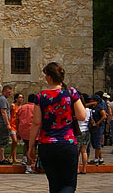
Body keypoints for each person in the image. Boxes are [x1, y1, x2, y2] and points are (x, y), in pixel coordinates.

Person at [28, 62, 87, 193]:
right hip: (67, 143)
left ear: (49, 77)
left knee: (54, 185)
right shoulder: (71, 93)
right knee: (69, 184)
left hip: (47, 145)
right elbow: (82, 116)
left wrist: (31, 146)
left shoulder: (40, 96)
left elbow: (36, 123)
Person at [15, 94, 37, 174]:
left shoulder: (22, 107)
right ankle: (28, 166)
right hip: (32, 130)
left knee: (26, 144)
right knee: (31, 147)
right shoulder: (36, 108)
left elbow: (17, 119)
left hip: (23, 129)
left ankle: (24, 158)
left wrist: (18, 130)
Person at [0, 85, 14, 165]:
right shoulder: (3, 100)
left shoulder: (0, 99)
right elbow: (3, 112)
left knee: (0, 141)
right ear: (4, 91)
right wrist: (7, 124)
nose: (10, 94)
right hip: (2, 124)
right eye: (8, 92)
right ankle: (2, 158)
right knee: (3, 141)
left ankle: (0, 158)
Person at [87, 93, 109, 166]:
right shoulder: (92, 107)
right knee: (95, 143)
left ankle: (96, 158)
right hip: (93, 127)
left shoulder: (99, 107)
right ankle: (101, 158)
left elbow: (104, 116)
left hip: (99, 127)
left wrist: (98, 123)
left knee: (97, 143)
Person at [77, 95, 95, 175]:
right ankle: (84, 168)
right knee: (84, 151)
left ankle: (77, 168)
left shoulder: (76, 110)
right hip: (87, 131)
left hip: (78, 131)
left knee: (77, 152)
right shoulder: (89, 110)